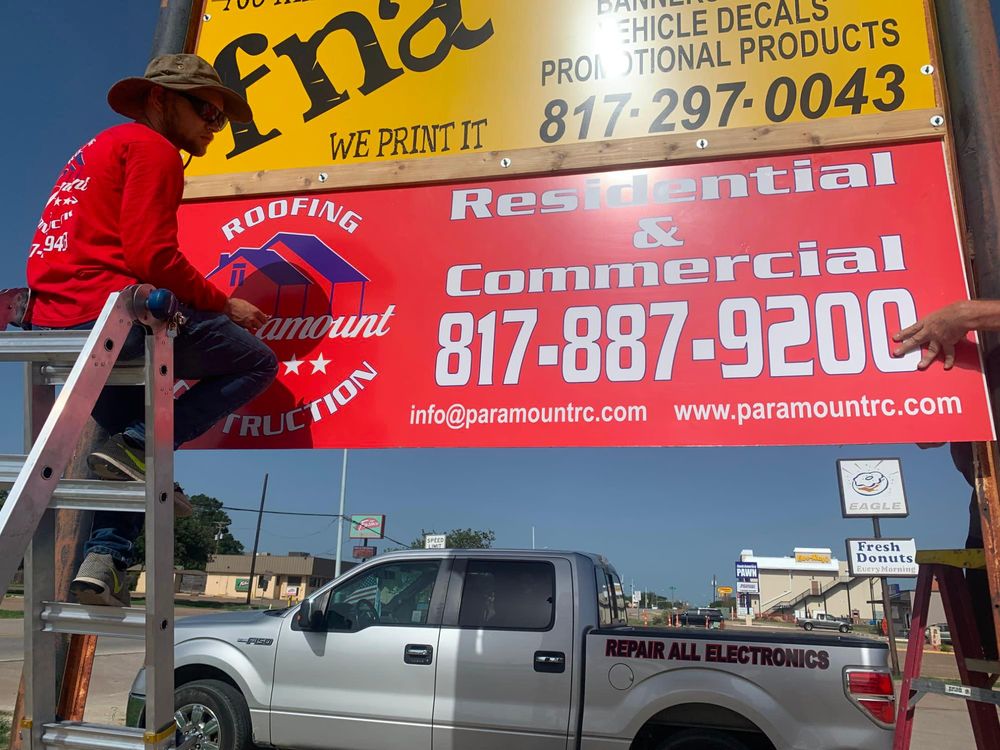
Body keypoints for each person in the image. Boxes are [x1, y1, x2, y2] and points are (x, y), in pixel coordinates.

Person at [24, 54, 279, 606]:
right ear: (160, 101)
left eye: (220, 116)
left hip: (58, 322)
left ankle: (103, 564)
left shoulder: (95, 151)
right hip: (110, 313)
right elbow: (152, 254)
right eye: (206, 109)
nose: (215, 124)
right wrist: (224, 303)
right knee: (257, 362)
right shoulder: (154, 149)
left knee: (123, 465)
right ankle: (147, 446)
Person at [894, 302, 999, 657]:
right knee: (989, 650)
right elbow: (929, 438)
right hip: (986, 516)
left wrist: (968, 315)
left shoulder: (966, 312)